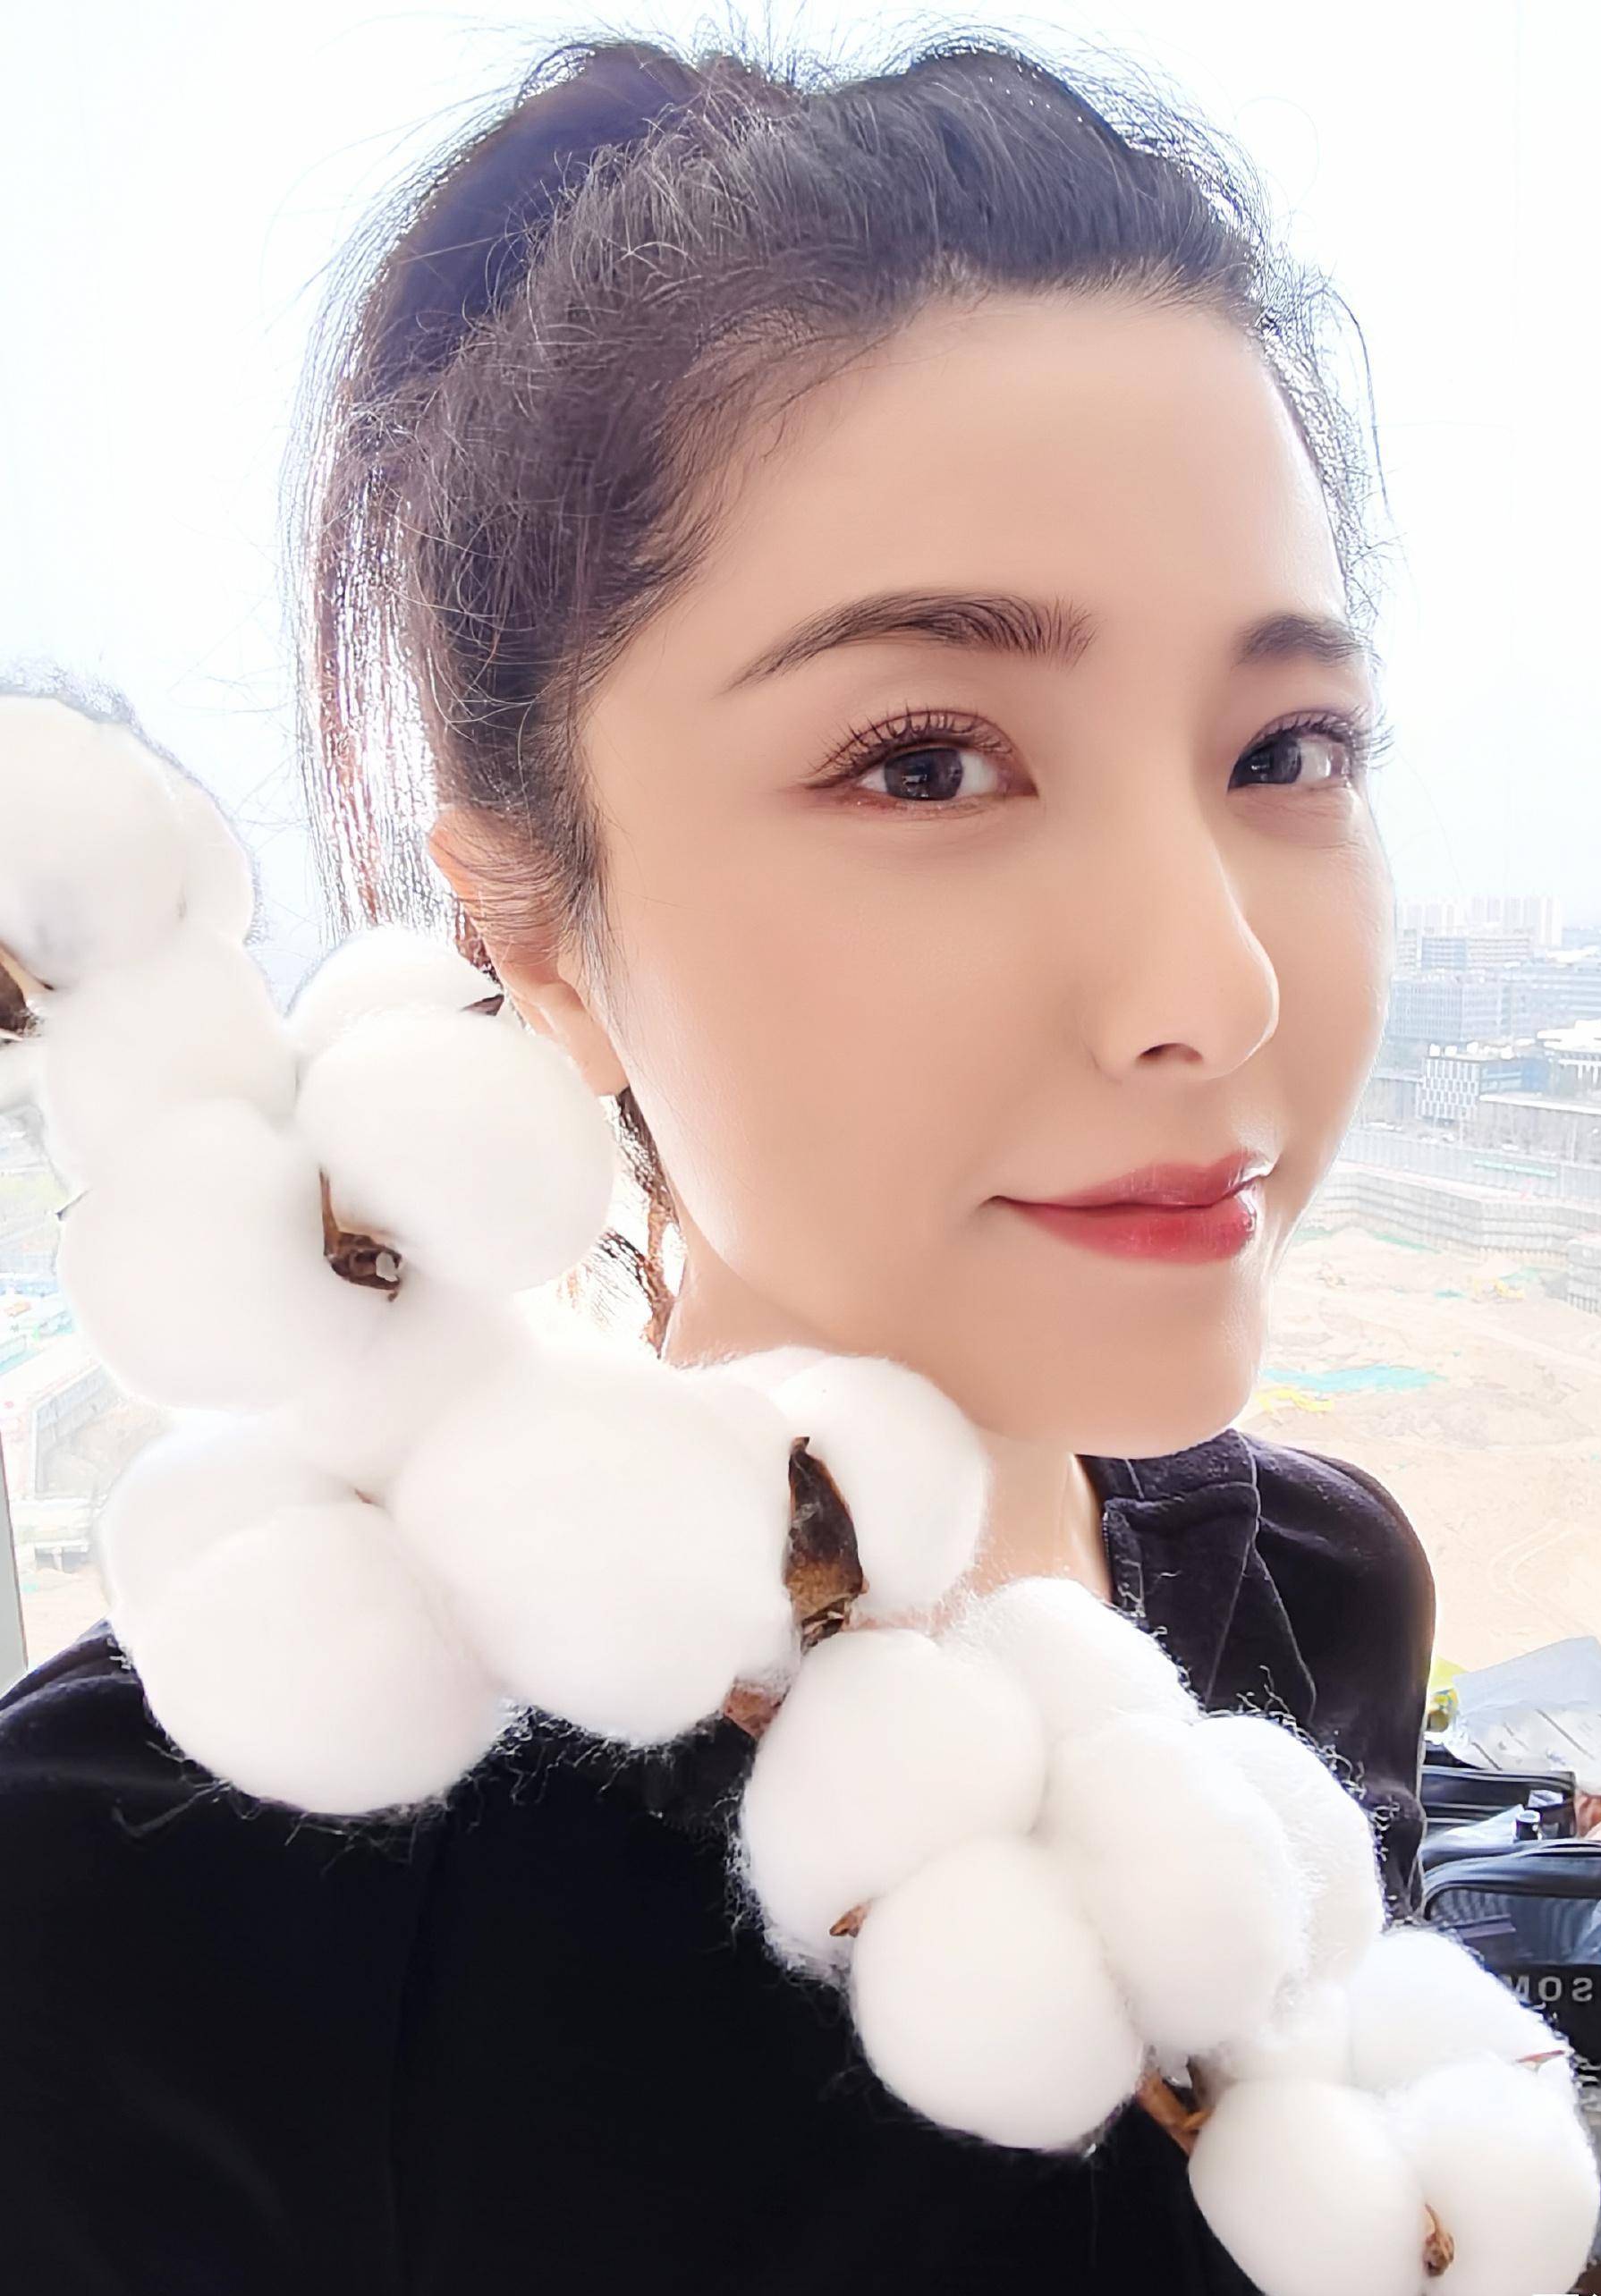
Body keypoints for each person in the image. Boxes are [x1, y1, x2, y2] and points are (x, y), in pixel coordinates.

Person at [0, 25, 1436, 2292]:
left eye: (1288, 748)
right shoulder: (160, 1888)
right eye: (928, 764)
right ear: (533, 933)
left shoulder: (1316, 1596)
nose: (1217, 986)